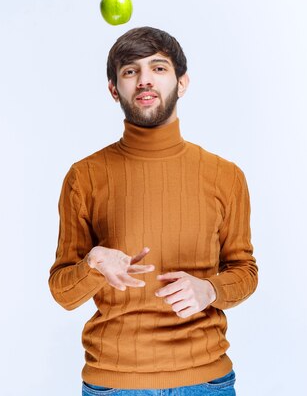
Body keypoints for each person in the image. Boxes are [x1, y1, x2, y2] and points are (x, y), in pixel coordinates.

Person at [49, 26, 258, 395]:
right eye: (130, 71)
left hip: (205, 382)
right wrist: (93, 264)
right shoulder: (84, 177)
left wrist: (210, 289)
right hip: (115, 384)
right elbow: (64, 293)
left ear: (182, 82)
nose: (145, 80)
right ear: (115, 90)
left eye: (158, 68)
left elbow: (245, 271)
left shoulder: (225, 176)